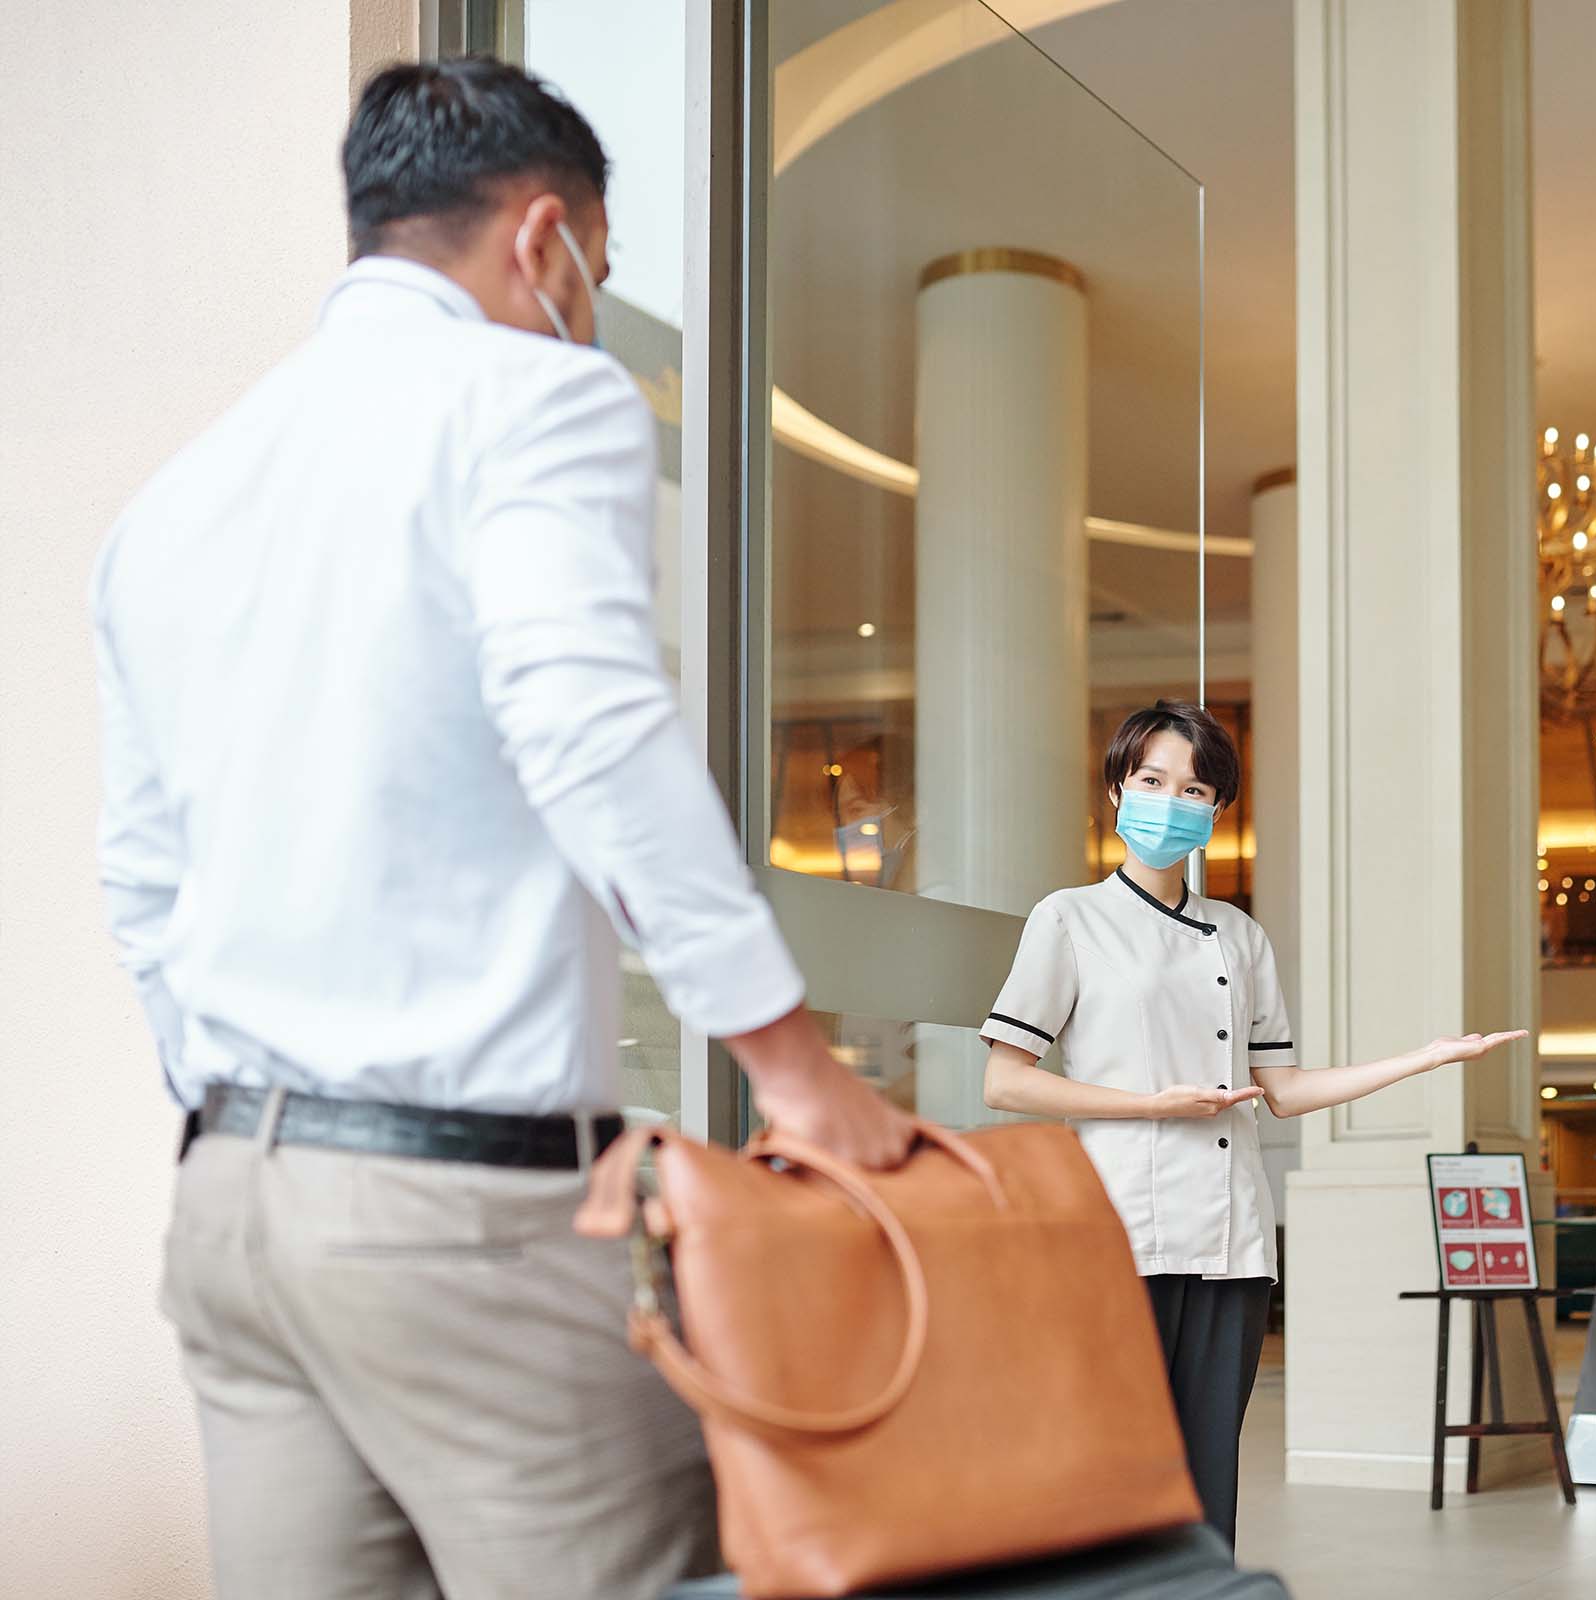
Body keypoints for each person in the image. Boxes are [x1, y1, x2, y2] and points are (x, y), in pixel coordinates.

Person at [91, 58, 913, 1600]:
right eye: (594, 269)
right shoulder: (536, 397)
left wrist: (262, 1127)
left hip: (232, 1212)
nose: (588, 303)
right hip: (462, 1218)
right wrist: (794, 1072)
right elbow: (591, 724)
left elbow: (140, 875)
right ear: (542, 240)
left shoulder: (177, 501)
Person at [979, 701, 1527, 1549]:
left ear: (1216, 812)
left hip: (1231, 1241)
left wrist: (1424, 1059)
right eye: (1153, 780)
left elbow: (1286, 1089)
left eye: (1193, 788)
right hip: (1120, 1234)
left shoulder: (1237, 935)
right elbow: (1006, 1082)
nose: (1171, 800)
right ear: (1119, 789)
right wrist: (1150, 1106)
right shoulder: (1069, 919)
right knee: (1112, 1473)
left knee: (1207, 1480)